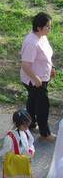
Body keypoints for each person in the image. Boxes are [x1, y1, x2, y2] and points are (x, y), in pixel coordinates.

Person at [20, 12, 56, 141]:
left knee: (33, 100)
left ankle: (30, 124)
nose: (49, 29)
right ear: (39, 27)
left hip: (41, 77)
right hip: (34, 80)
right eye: (47, 26)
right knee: (42, 106)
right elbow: (25, 65)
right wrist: (36, 79)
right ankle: (45, 133)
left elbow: (47, 55)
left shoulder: (42, 37)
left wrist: (51, 67)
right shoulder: (32, 43)